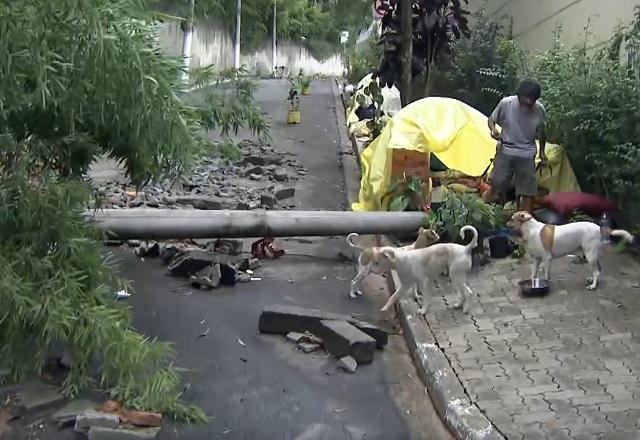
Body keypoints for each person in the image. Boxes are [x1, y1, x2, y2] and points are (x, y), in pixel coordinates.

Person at [485, 79, 547, 213]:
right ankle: (491, 213)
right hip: (506, 149)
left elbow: (542, 133)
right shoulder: (506, 103)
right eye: (526, 99)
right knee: (497, 183)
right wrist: (493, 130)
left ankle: (525, 220)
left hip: (527, 153)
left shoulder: (539, 109)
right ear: (519, 95)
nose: (529, 103)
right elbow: (491, 120)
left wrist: (542, 152)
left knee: (528, 190)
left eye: (532, 100)